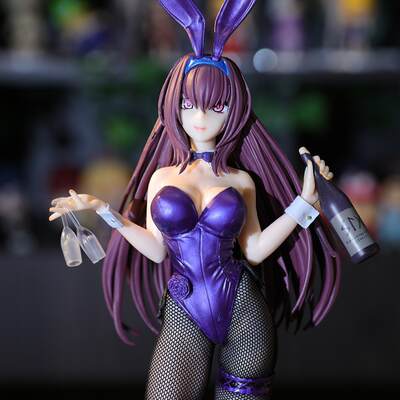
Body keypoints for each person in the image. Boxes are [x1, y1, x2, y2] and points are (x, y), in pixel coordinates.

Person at [49, 1, 341, 398]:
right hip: (184, 308)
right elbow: (156, 250)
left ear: (233, 110)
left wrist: (305, 202)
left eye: (215, 106)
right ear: (175, 105)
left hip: (243, 307)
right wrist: (103, 210)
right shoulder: (163, 177)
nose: (200, 118)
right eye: (189, 105)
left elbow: (254, 250)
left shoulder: (240, 180)